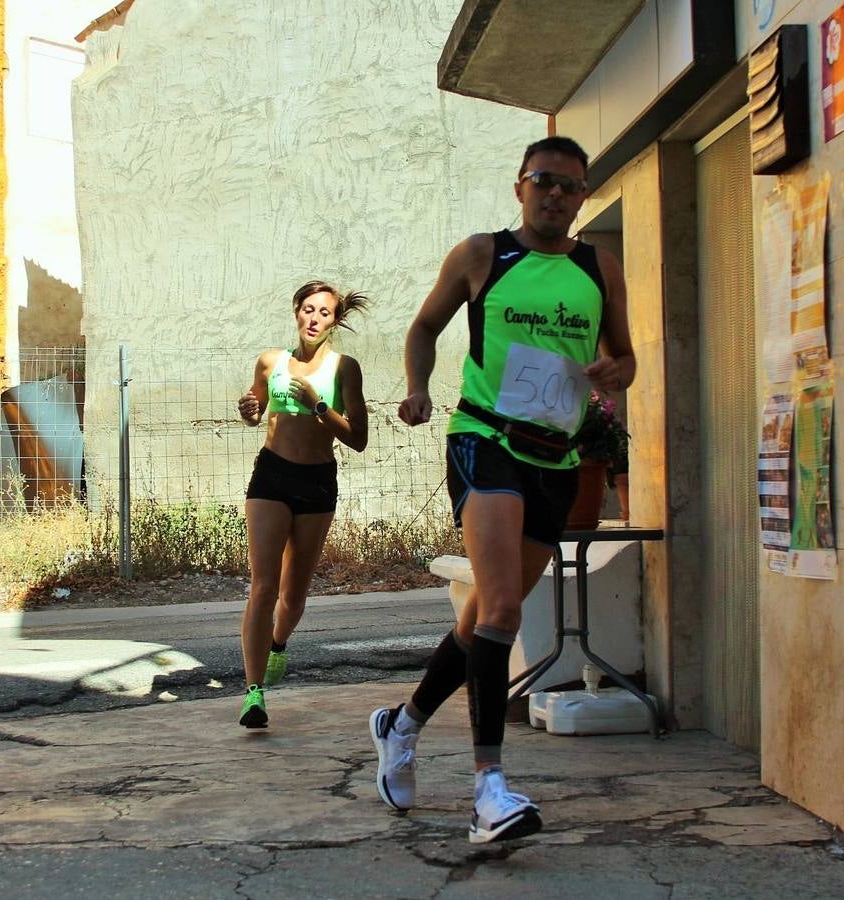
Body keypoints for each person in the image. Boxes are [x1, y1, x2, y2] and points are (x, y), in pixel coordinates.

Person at [370, 136, 635, 842]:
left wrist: (616, 373)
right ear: (520, 186)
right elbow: (425, 325)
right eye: (543, 181)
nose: (555, 194)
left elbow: (626, 355)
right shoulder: (482, 254)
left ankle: (402, 724)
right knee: (505, 614)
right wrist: (418, 388)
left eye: (570, 186)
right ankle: (488, 788)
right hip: (483, 437)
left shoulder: (597, 266)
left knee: (490, 608)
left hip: (555, 456)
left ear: (583, 198)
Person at [235, 281, 370, 728]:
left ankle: (278, 644)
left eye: (325, 313)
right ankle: (254, 694)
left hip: (316, 482)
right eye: (308, 309)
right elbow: (258, 411)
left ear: (335, 320)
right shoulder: (270, 361)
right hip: (271, 475)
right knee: (263, 587)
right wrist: (249, 410)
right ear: (296, 312)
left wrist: (317, 406)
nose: (314, 318)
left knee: (293, 596)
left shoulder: (344, 368)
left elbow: (358, 439)